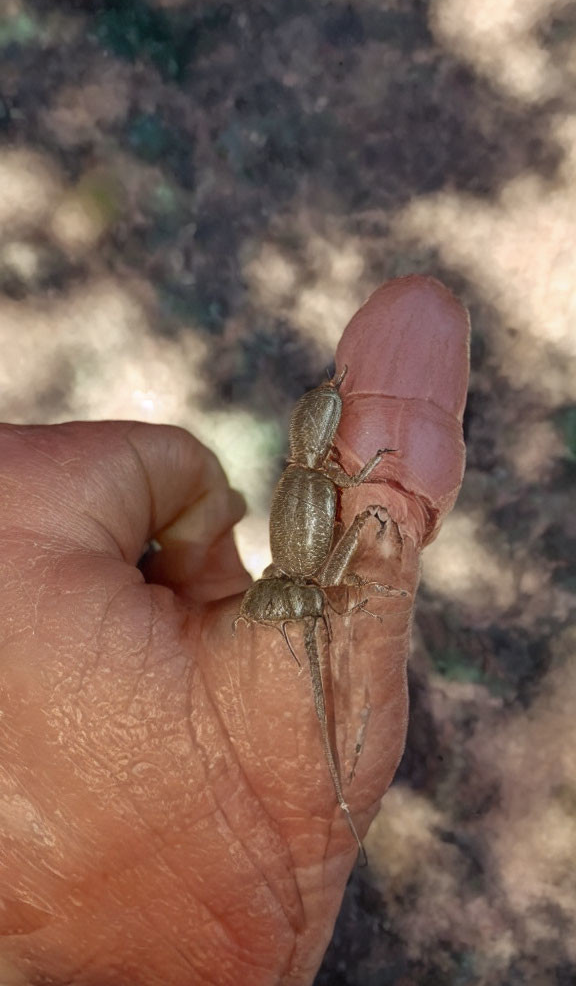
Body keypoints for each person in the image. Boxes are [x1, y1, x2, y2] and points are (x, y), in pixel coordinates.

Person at [0, 276, 469, 985]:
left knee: (356, 536)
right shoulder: (316, 476)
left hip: (300, 566)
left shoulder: (310, 473)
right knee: (363, 527)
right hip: (300, 567)